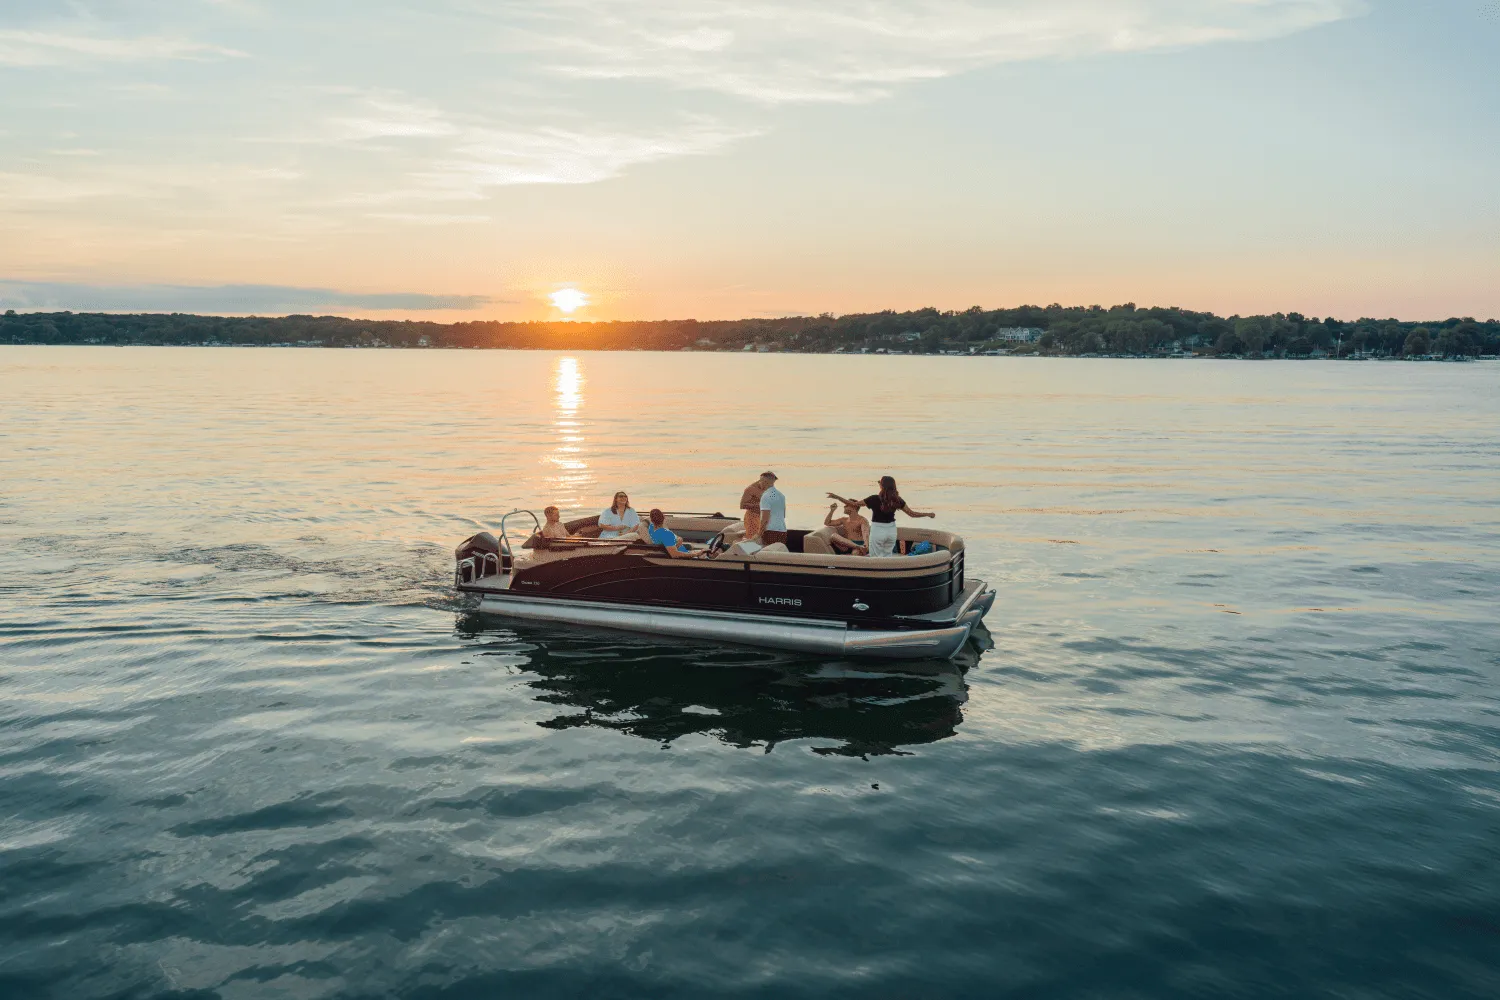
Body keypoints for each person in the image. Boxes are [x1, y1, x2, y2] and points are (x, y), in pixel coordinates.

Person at [827, 476, 935, 558]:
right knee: (887, 556)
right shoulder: (897, 500)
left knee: (875, 558)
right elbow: (912, 514)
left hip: (878, 530)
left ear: (882, 487)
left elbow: (854, 504)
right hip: (891, 531)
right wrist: (927, 514)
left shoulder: (874, 499)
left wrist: (837, 497)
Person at [641, 508, 710, 559]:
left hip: (686, 553)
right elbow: (674, 554)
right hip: (686, 559)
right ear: (663, 518)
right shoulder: (666, 534)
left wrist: (678, 539)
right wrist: (696, 554)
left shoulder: (651, 529)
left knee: (708, 552)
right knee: (710, 554)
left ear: (652, 520)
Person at [739, 472, 776, 542]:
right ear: (761, 480)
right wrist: (759, 505)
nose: (770, 486)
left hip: (765, 518)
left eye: (772, 484)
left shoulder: (770, 488)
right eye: (767, 483)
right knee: (752, 540)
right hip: (752, 517)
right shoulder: (750, 489)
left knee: (763, 540)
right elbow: (742, 505)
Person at [757, 473, 788, 547]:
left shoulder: (766, 496)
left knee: (766, 552)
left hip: (770, 531)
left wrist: (759, 534)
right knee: (777, 552)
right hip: (782, 531)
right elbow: (783, 515)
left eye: (760, 480)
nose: (759, 483)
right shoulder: (781, 495)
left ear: (766, 482)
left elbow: (765, 518)